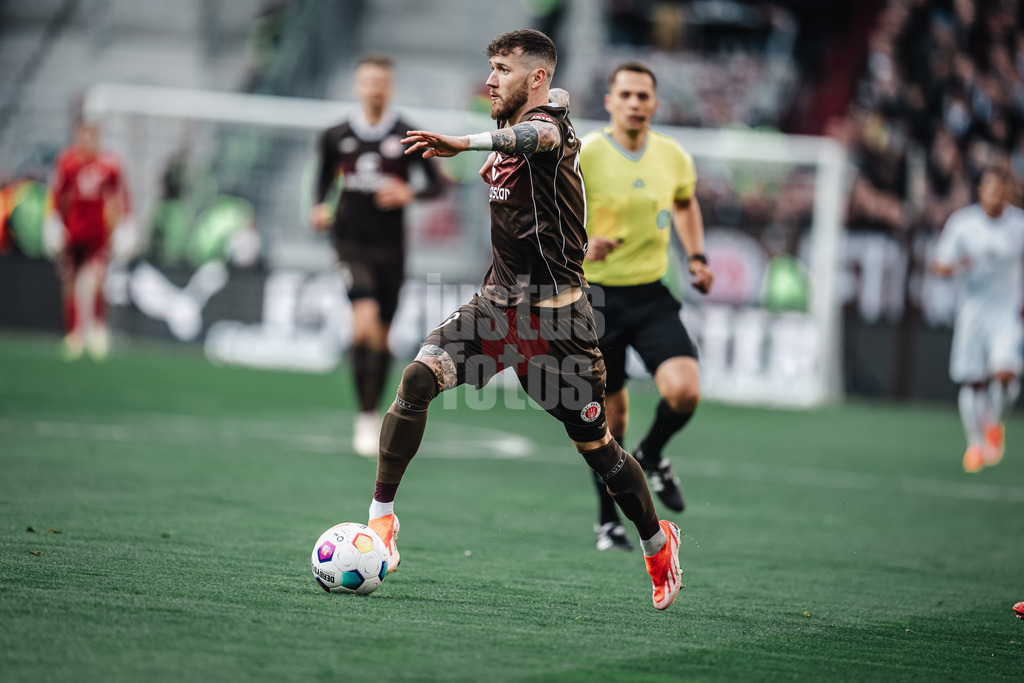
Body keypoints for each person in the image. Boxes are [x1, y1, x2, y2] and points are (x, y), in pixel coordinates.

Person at [365, 29, 682, 610]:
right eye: (490, 66)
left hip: (560, 331)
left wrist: (463, 142)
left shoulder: (550, 132)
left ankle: (658, 542)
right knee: (416, 379)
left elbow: (536, 133)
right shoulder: (521, 128)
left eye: (503, 68)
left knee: (599, 448)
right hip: (495, 311)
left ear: (536, 78)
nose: (490, 79)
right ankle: (381, 520)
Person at [578, 62, 714, 551]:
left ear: (655, 104)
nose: (635, 103)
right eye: (626, 95)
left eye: (643, 96)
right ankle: (607, 522)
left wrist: (696, 256)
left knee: (684, 391)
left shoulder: (672, 156)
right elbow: (551, 208)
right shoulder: (586, 152)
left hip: (651, 293)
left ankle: (652, 455)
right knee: (605, 422)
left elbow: (684, 202)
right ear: (610, 102)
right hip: (594, 299)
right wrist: (582, 245)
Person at [311, 54, 444, 457]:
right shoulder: (335, 134)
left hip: (392, 250)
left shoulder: (406, 133)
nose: (374, 88)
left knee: (383, 339)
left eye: (381, 82)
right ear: (358, 86)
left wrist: (409, 193)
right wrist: (318, 207)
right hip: (350, 244)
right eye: (368, 81)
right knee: (363, 327)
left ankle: (374, 410)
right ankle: (365, 416)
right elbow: (321, 181)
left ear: (391, 87)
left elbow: (438, 186)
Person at [932, 166, 1024, 473]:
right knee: (972, 381)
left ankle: (993, 425)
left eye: (999, 190)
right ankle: (975, 444)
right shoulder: (963, 224)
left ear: (1008, 193)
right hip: (972, 310)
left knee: (1005, 374)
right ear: (981, 192)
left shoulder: (1019, 225)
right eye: (989, 189)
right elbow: (939, 265)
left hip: (1006, 311)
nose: (994, 195)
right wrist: (959, 266)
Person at [51, 121, 133, 361]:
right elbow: (58, 195)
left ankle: (98, 330)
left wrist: (125, 224)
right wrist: (55, 223)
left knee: (98, 279)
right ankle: (74, 333)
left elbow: (120, 196)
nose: (86, 142)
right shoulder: (68, 162)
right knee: (71, 281)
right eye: (82, 137)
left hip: (97, 234)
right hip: (73, 232)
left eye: (91, 137)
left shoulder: (109, 164)